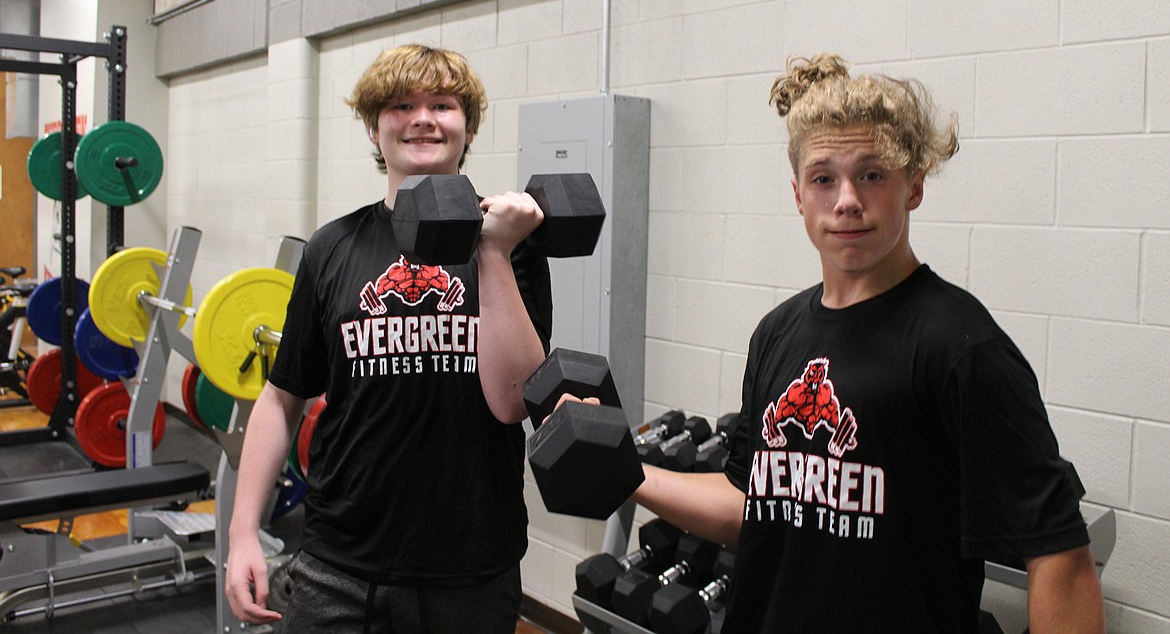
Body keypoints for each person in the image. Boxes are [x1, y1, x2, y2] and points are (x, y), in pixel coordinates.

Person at [629, 54, 1105, 632]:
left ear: (914, 187)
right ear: (798, 195)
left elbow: (1061, 558)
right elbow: (746, 503)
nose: (847, 199)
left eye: (872, 174)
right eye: (823, 177)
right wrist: (627, 474)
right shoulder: (777, 333)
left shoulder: (960, 345)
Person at [225, 44, 552, 632]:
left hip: (471, 564)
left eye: (443, 104)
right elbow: (282, 395)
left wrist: (494, 250)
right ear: (376, 129)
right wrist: (244, 530)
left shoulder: (512, 244)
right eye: (401, 104)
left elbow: (511, 401)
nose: (423, 117)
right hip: (339, 565)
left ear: (468, 126)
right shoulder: (332, 247)